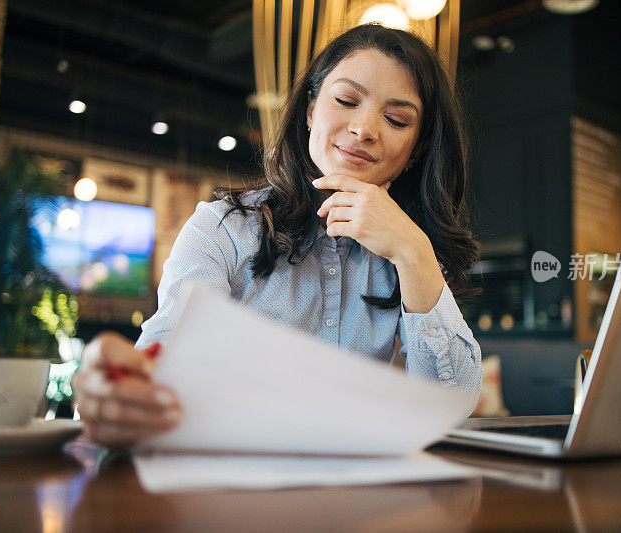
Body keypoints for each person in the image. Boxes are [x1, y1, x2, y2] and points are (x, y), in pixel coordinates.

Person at [73, 23, 483, 448]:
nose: (364, 129)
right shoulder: (222, 230)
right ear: (310, 109)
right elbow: (165, 362)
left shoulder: (406, 252)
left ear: (416, 148)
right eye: (345, 100)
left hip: (357, 497)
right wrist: (121, 388)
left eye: (397, 119)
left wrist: (414, 251)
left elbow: (451, 405)